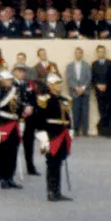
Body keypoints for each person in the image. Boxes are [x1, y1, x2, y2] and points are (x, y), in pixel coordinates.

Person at [31, 71, 74, 202]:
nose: (59, 86)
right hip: (52, 134)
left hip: (63, 133)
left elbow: (68, 117)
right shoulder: (45, 99)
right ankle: (51, 191)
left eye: (60, 83)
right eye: (56, 84)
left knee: (59, 162)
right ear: (50, 85)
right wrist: (43, 137)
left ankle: (58, 191)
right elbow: (39, 120)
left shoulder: (64, 99)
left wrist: (70, 130)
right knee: (52, 163)